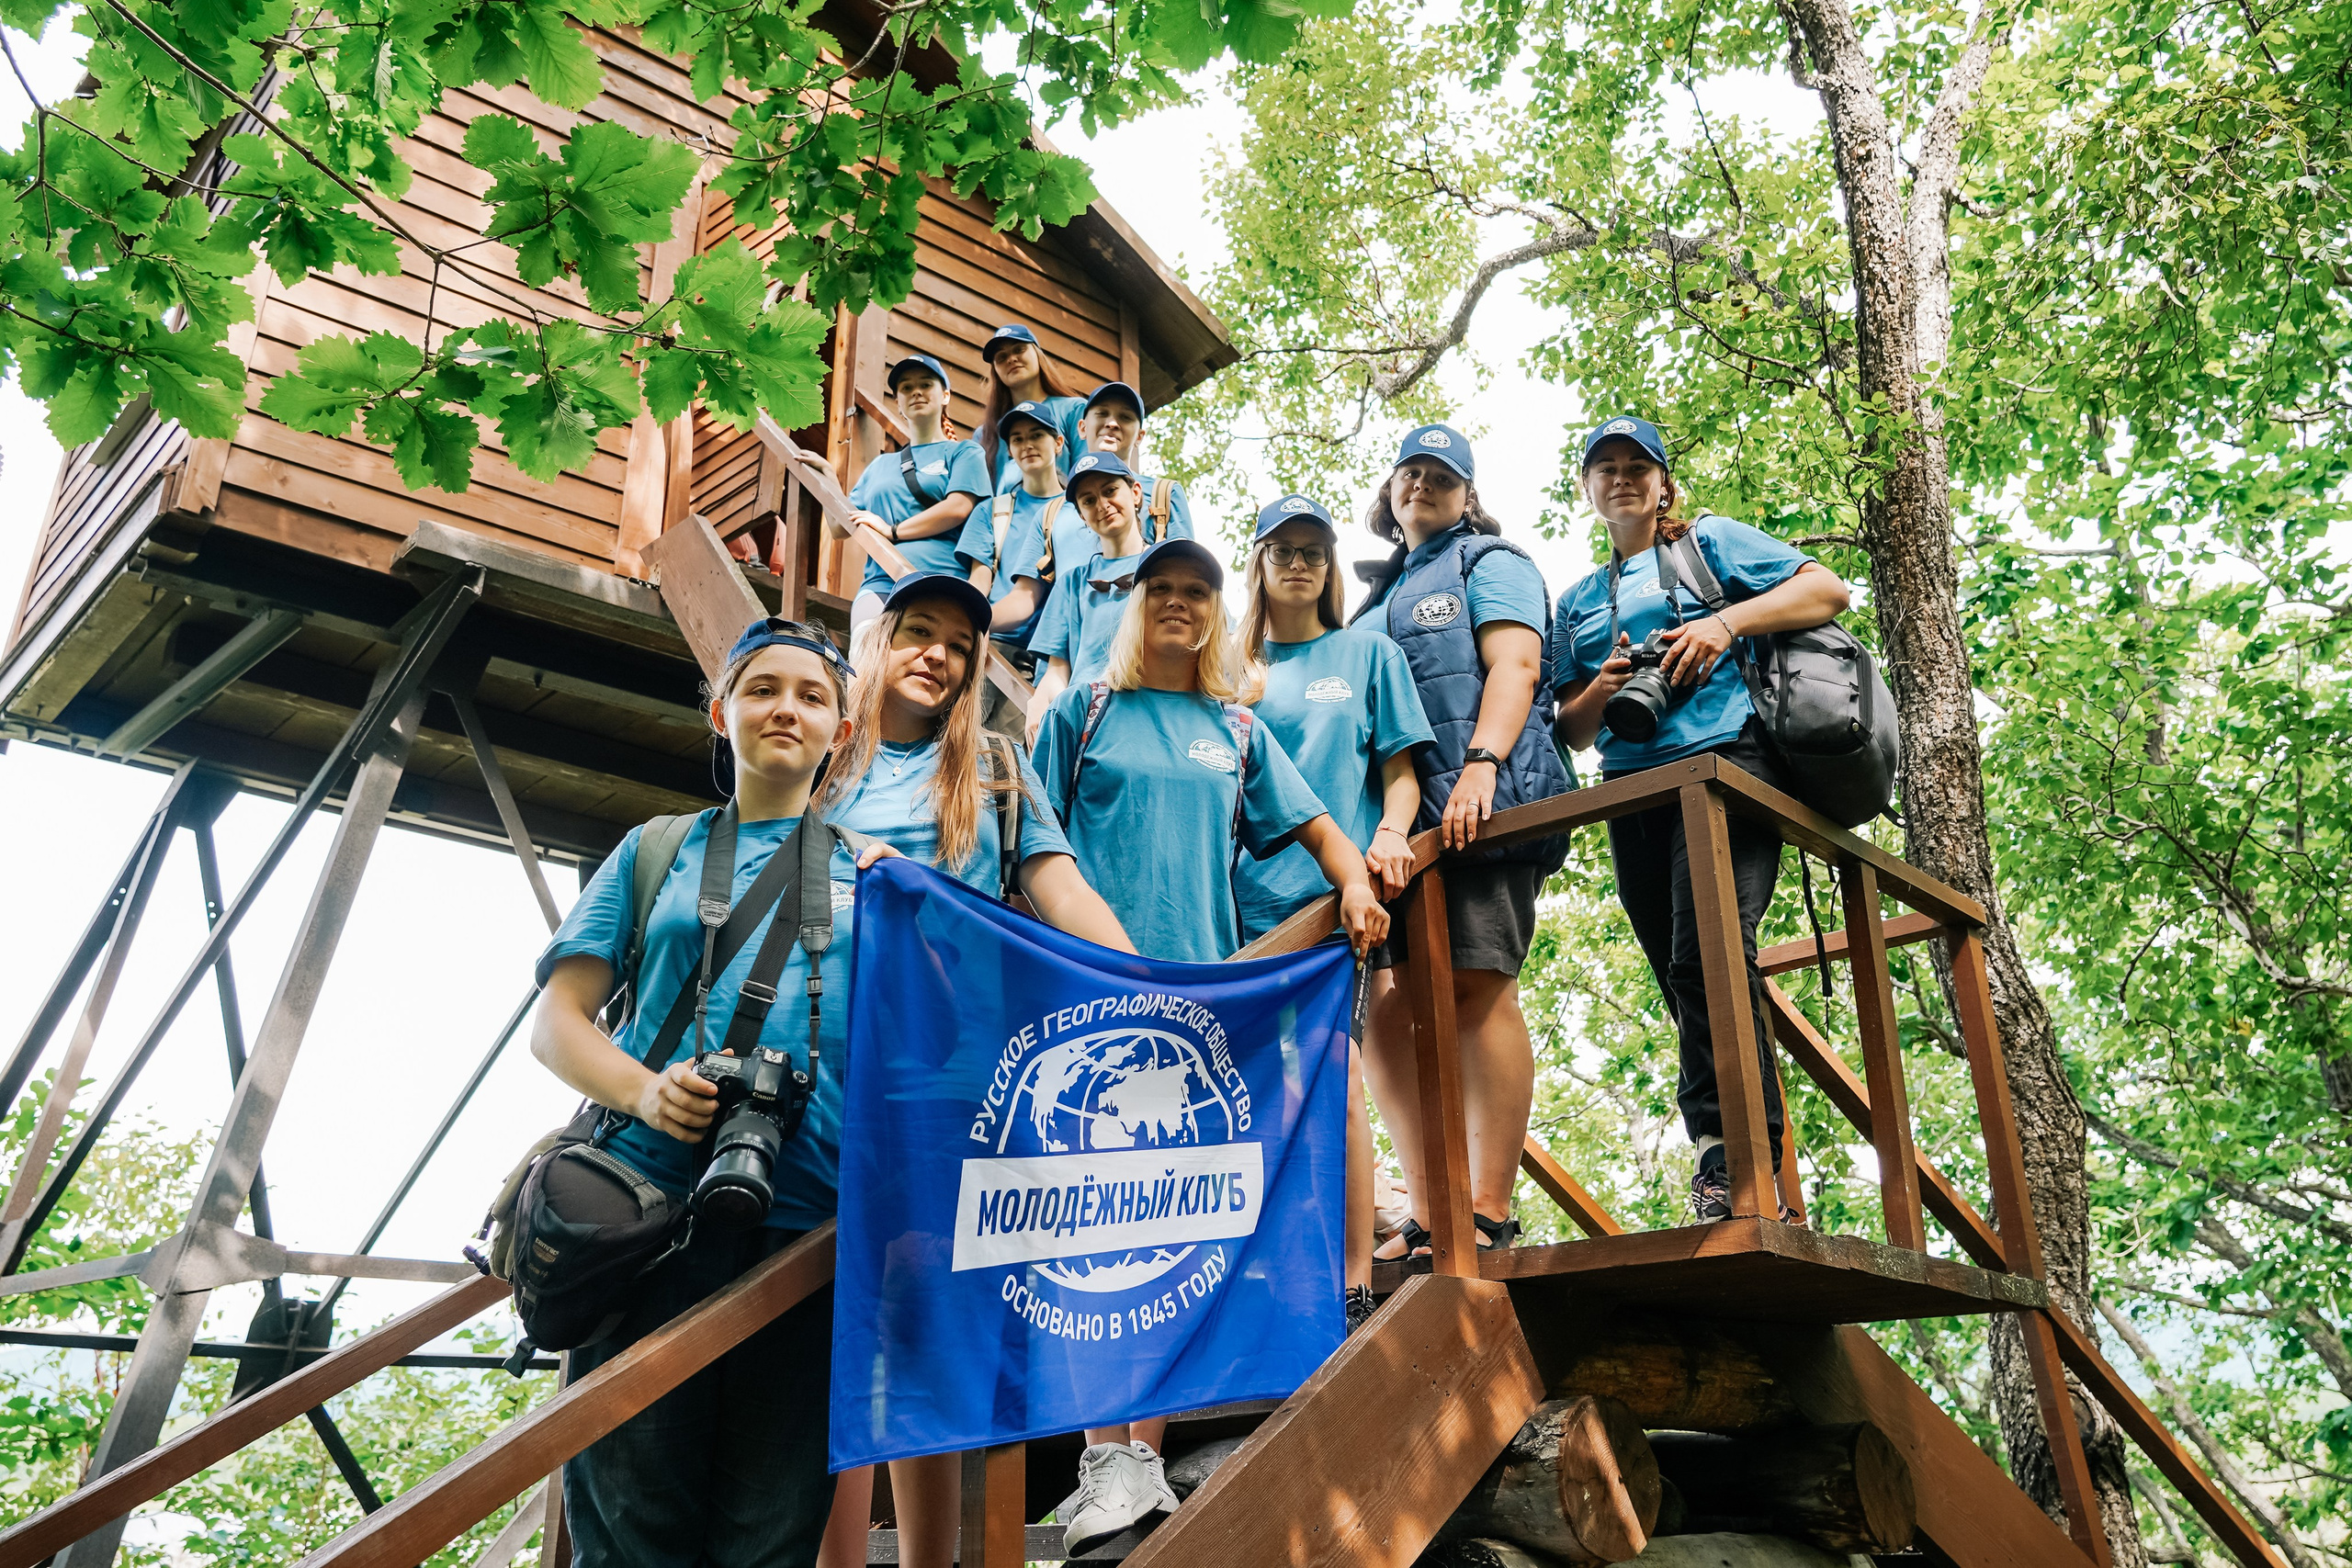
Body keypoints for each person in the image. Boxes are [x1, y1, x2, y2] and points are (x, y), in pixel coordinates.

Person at [1033, 536, 1390, 1554]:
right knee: (1098, 1228)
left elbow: (1317, 824)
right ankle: (1107, 1452)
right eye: (1163, 590)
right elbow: (1028, 840)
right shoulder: (1080, 712)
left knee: (1169, 1231)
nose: (1180, 605)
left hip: (1199, 1008)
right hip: (1092, 1000)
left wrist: (1354, 879)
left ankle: (1132, 1455)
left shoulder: (1232, 728)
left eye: (1198, 591)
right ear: (1134, 606)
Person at [809, 572, 1136, 1568]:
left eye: (957, 645)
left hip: (953, 1083)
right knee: (827, 1334)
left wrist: (1149, 994)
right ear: (878, 642)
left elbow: (1057, 884)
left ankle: (927, 1562)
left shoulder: (991, 766)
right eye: (918, 633)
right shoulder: (822, 755)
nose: (937, 656)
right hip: (821, 1078)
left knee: (931, 1328)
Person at [530, 617, 863, 1568]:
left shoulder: (875, 875)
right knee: (633, 1535)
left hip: (805, 1242)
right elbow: (557, 1022)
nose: (785, 710)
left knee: (771, 1542)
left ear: (840, 731)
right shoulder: (655, 849)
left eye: (812, 695)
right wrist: (644, 1094)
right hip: (648, 1226)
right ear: (721, 713)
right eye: (762, 690)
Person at [1549, 415, 1850, 1223]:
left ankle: (1733, 1162)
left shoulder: (1708, 543)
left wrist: (1723, 623)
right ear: (1586, 487)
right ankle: (1747, 1162)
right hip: (1631, 791)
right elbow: (1570, 729)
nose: (1622, 478)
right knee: (1680, 972)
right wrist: (1603, 689)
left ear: (1662, 482)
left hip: (1725, 770)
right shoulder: (1578, 599)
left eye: (1637, 466)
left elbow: (1827, 589)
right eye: (1604, 467)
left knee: (1707, 958)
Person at [1351, 423, 1571, 1261]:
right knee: (1389, 1010)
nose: (1422, 485)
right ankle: (1432, 1205)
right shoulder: (1376, 598)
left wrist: (1483, 763)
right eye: (1409, 472)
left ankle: (1487, 1203)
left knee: (1480, 987)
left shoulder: (1490, 560)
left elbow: (1515, 665)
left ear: (1467, 493)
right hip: (1398, 840)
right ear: (1390, 491)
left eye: (1441, 475)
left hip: (1480, 811)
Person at [1233, 492, 1433, 1332]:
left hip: (1334, 905)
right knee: (1254, 1093)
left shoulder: (1367, 650)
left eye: (1315, 548)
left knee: (1333, 1084)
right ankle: (1268, 1272)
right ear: (1258, 562)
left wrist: (1390, 833)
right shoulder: (1229, 664)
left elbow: (1401, 770)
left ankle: (1348, 1283)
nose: (1300, 561)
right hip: (1241, 909)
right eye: (1282, 547)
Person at [845, 355, 992, 634]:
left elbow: (958, 506)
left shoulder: (964, 452)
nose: (916, 392)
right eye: (906, 388)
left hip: (941, 582)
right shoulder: (880, 465)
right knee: (863, 663)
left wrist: (893, 530)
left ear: (945, 395)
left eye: (926, 384)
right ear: (898, 403)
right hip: (881, 582)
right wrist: (827, 475)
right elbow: (841, 526)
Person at [1023, 450, 1147, 732]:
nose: (1102, 504)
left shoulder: (1167, 569)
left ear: (1135, 492)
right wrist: (1040, 703)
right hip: (1085, 724)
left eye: (1110, 490)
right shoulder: (1073, 582)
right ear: (1081, 515)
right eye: (1089, 500)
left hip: (1145, 713)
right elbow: (1057, 671)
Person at [1044, 380, 1193, 582]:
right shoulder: (1050, 512)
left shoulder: (1164, 493)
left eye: (1125, 417)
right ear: (1082, 427)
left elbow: (1187, 570)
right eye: (1102, 414)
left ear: (1140, 436)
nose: (1112, 423)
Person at [979, 400, 1069, 660]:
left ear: (1058, 443)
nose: (1027, 444)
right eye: (1017, 439)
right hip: (996, 641)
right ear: (1010, 450)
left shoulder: (1079, 511)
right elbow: (980, 578)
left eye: (1037, 435)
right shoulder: (993, 511)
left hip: (1056, 652)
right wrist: (970, 619)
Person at [973, 323, 1087, 491]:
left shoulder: (1074, 410)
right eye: (1002, 357)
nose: (1011, 359)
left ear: (1037, 354)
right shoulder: (984, 434)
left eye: (1019, 349)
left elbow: (1086, 474)